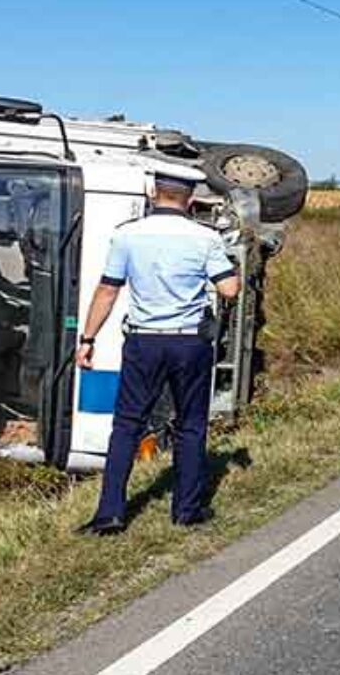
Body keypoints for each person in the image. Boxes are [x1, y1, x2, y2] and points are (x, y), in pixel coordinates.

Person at [77, 161, 242, 536]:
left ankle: (110, 515)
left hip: (143, 341)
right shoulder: (205, 239)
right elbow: (229, 289)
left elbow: (108, 290)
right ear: (190, 198)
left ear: (154, 191)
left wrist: (87, 339)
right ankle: (186, 510)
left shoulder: (127, 236)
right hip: (189, 342)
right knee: (190, 425)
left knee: (127, 426)